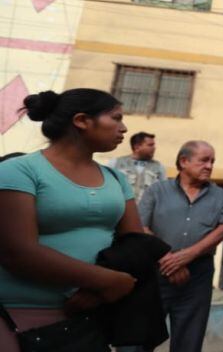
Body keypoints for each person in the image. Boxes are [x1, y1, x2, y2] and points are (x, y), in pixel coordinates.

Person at [0, 90, 139, 351]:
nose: (124, 128)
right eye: (116, 118)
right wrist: (105, 281)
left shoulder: (116, 179)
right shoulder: (17, 171)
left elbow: (135, 243)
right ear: (82, 121)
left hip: (92, 317)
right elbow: (18, 253)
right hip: (20, 316)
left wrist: (97, 290)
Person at [139, 140, 223, 352]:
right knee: (142, 335)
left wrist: (188, 255)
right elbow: (140, 226)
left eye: (212, 161)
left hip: (198, 276)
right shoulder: (157, 190)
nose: (209, 166)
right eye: (204, 160)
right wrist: (166, 258)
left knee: (189, 339)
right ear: (184, 161)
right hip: (156, 271)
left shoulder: (219, 195)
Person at [108, 131, 167, 206]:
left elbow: (163, 192)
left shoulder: (159, 167)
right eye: (150, 145)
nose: (154, 148)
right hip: (120, 211)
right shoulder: (115, 163)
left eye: (154, 145)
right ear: (137, 147)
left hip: (146, 214)